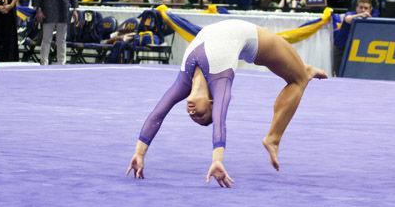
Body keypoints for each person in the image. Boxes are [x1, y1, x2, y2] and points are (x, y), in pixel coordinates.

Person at [126, 19, 328, 186]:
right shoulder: (220, 82)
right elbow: (220, 120)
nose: (192, 113)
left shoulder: (184, 81)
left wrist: (139, 153)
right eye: (200, 116)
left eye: (194, 116)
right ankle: (273, 138)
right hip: (253, 38)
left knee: (299, 72)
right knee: (298, 80)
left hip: (230, 34)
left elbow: (158, 113)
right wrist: (217, 160)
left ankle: (304, 68)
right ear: (212, 102)